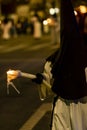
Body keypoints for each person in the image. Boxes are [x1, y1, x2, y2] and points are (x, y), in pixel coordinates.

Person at [32, 0, 87, 130]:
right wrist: (41, 80)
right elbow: (48, 81)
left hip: (83, 108)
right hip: (62, 107)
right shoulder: (55, 60)